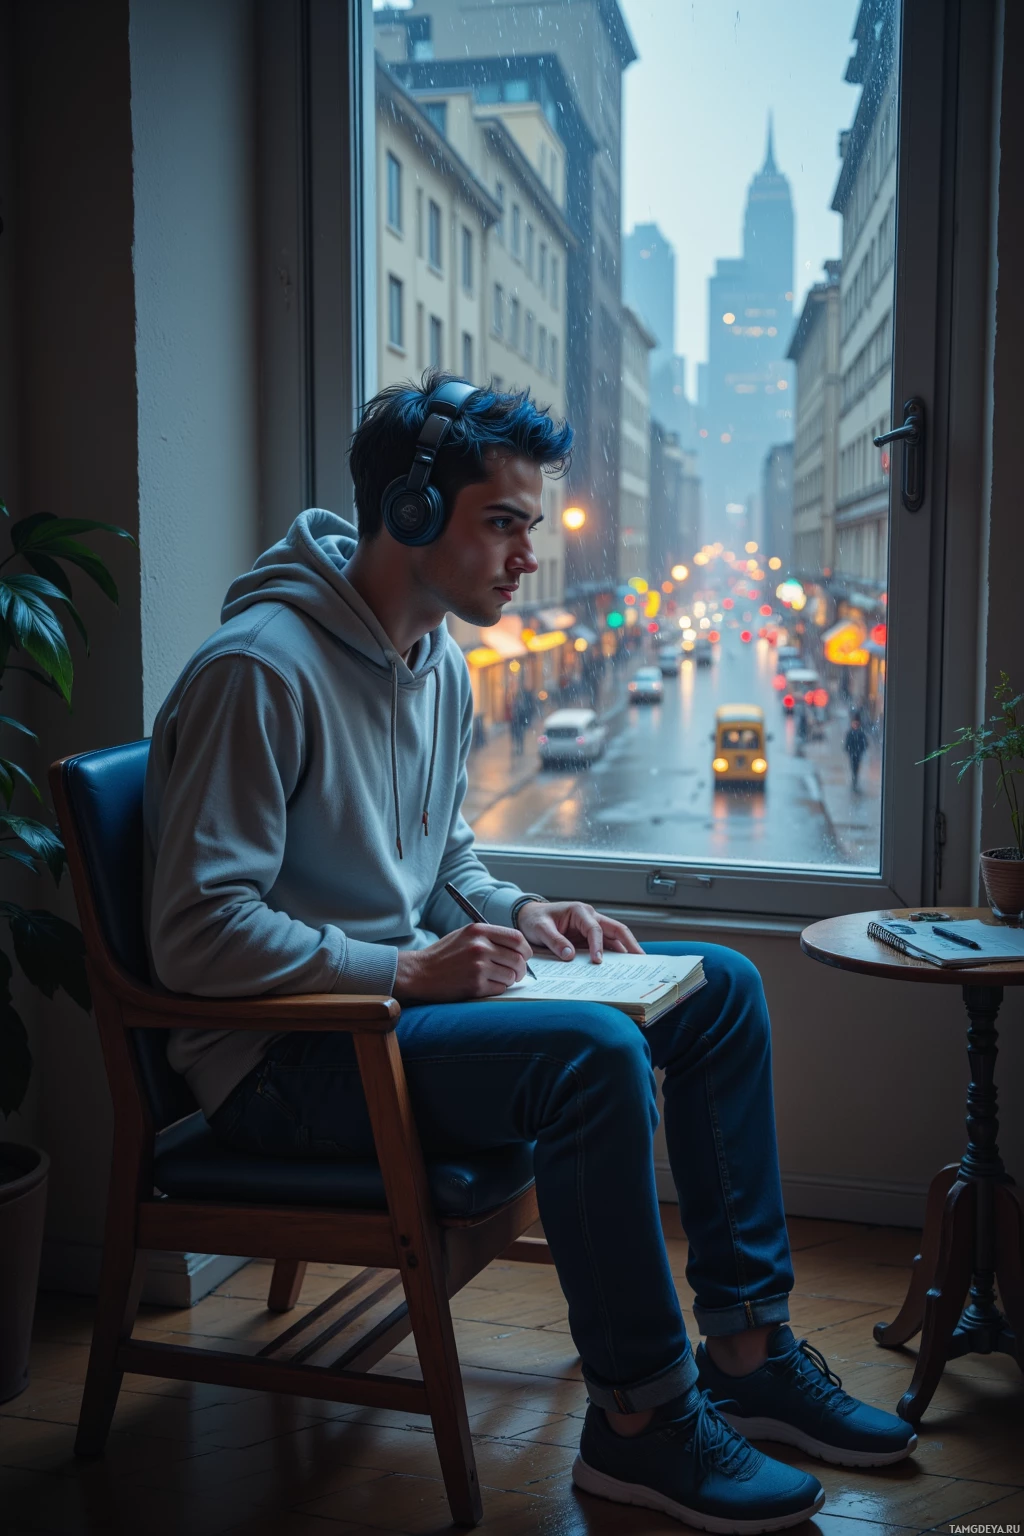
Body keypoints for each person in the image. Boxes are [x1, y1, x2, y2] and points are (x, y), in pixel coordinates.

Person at [144, 374, 916, 1533]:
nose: (527, 556)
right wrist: (407, 970)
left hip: (390, 1023)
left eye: (529, 525)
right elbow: (195, 935)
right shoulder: (258, 671)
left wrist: (525, 906)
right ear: (409, 513)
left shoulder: (436, 665)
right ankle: (638, 1428)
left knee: (722, 989)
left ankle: (748, 1359)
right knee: (593, 1056)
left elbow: (442, 856)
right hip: (285, 1062)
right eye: (502, 523)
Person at [845, 713, 869, 790]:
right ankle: (854, 779)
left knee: (855, 767)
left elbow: (865, 743)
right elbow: (847, 743)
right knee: (854, 767)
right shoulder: (852, 732)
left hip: (857, 753)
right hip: (853, 753)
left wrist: (861, 749)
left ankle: (855, 780)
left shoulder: (860, 733)